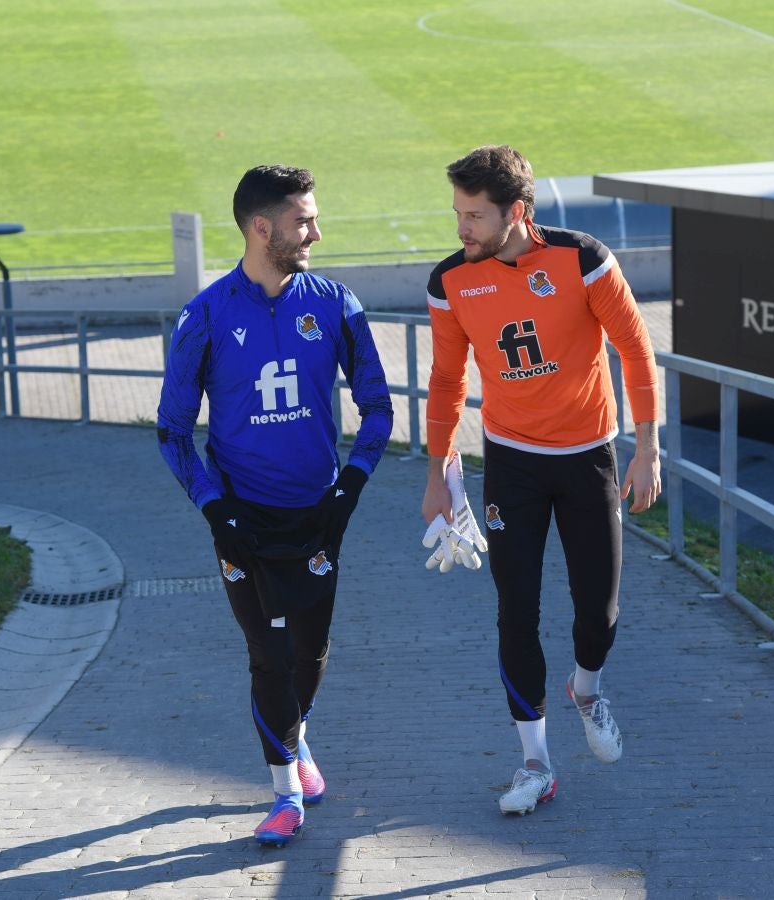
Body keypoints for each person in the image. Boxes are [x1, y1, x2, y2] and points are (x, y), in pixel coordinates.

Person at [157, 165, 393, 846]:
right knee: (269, 654)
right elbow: (172, 431)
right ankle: (285, 791)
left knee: (309, 653)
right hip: (242, 520)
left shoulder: (336, 303)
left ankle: (297, 734)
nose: (316, 232)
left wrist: (350, 487)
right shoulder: (205, 316)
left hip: (318, 515)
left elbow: (378, 407)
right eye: (303, 221)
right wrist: (214, 508)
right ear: (261, 227)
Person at [420, 145, 660, 815]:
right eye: (457, 213)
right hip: (511, 463)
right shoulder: (450, 281)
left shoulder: (583, 259)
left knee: (598, 612)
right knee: (515, 610)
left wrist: (648, 448)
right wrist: (439, 472)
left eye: (474, 215)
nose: (462, 228)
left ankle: (587, 688)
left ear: (517, 211)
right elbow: (446, 379)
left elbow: (635, 347)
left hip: (589, 458)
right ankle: (535, 763)